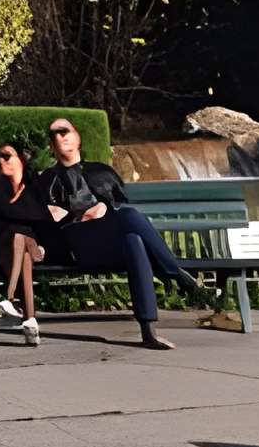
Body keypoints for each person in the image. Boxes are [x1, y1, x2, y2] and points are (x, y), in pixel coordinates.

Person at [41, 116, 231, 348]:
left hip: (109, 238)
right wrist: (79, 215)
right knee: (130, 216)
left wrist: (102, 210)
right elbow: (49, 218)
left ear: (78, 137)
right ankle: (177, 275)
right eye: (54, 134)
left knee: (133, 240)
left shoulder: (101, 171)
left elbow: (117, 205)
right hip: (79, 245)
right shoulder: (47, 180)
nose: (60, 137)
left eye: (65, 131)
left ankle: (148, 330)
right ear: (51, 145)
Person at [0, 140, 57, 344]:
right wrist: (31, 216)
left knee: (23, 241)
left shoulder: (32, 184)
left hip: (33, 244)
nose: (2, 161)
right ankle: (30, 321)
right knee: (22, 248)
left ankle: (10, 298)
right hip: (2, 246)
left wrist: (37, 226)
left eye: (7, 156)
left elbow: (42, 216)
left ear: (20, 159)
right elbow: (5, 211)